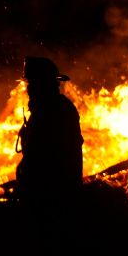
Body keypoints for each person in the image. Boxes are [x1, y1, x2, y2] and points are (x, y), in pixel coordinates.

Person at [15, 56, 84, 206]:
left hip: (52, 197)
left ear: (43, 85)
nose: (28, 89)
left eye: (31, 83)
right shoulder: (51, 108)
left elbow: (40, 157)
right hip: (52, 194)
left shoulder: (51, 110)